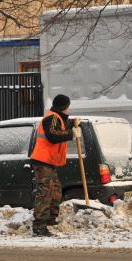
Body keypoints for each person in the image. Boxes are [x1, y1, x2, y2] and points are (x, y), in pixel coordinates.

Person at [30, 94, 81, 236]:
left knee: (55, 191)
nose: (68, 109)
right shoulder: (51, 118)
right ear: (63, 107)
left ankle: (50, 219)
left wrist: (74, 123)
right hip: (42, 161)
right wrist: (71, 133)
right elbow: (53, 134)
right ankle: (39, 226)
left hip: (49, 161)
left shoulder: (56, 118)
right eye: (67, 107)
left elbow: (61, 126)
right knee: (45, 193)